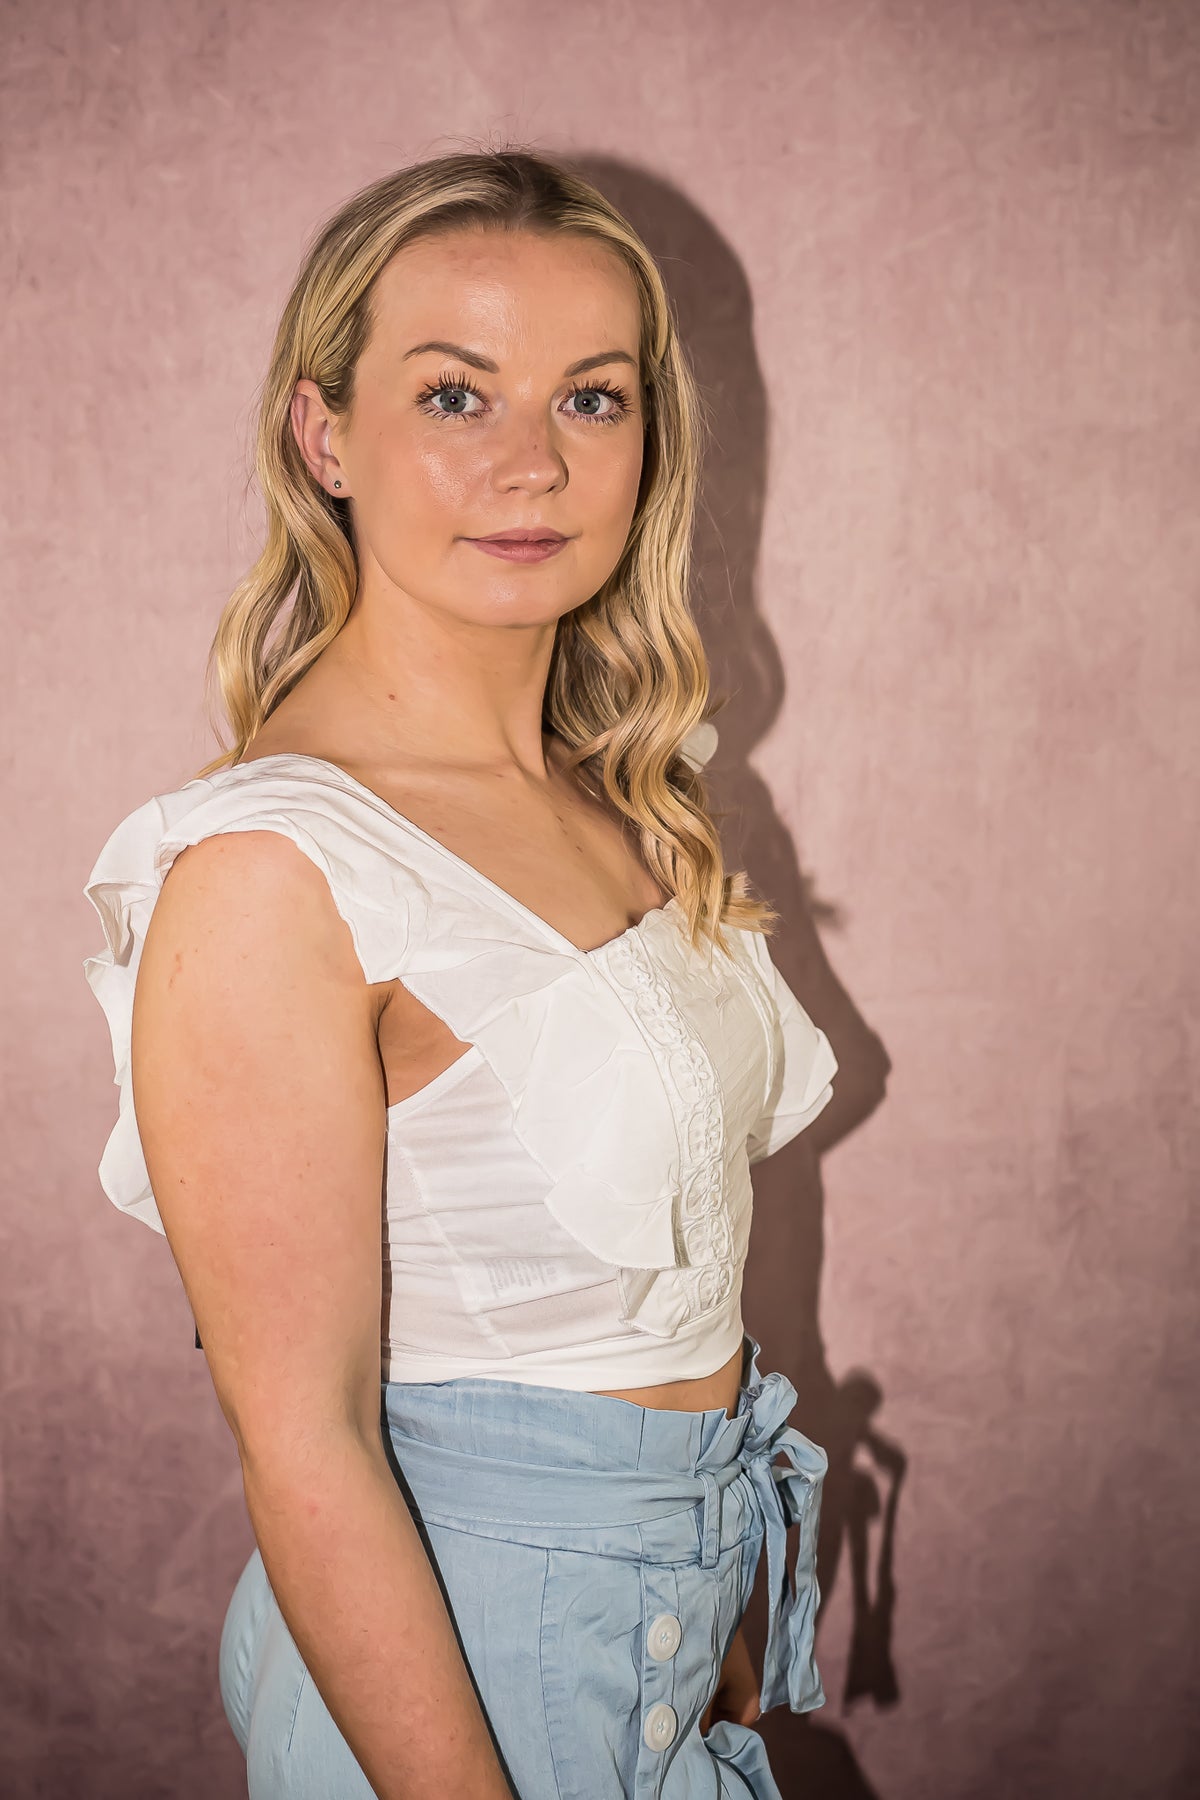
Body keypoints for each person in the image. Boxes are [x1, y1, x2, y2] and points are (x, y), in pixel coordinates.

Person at [82, 148, 839, 1800]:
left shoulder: (626, 787)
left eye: (590, 399)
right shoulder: (276, 870)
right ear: (323, 433)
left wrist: (705, 1630)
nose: (530, 466)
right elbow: (307, 1449)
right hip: (457, 1689)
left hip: (651, 1646)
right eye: (452, 394)